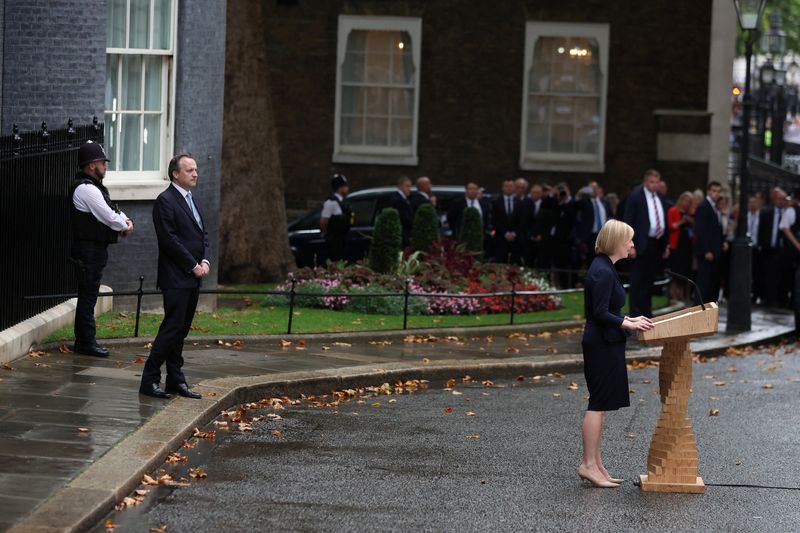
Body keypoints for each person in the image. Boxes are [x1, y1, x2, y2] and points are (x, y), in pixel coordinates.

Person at [578, 219, 653, 488]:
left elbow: (607, 309)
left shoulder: (606, 267)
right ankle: (588, 465)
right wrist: (627, 323)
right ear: (617, 242)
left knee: (601, 405)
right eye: (629, 240)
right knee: (597, 404)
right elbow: (599, 312)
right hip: (600, 343)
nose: (632, 245)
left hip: (607, 341)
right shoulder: (603, 271)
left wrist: (628, 319)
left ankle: (596, 465)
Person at [140, 153, 210, 400]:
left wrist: (205, 260)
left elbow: (203, 234)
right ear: (175, 174)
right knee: (171, 329)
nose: (195, 173)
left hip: (194, 275)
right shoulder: (165, 201)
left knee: (181, 331)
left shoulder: (194, 199)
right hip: (176, 277)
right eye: (189, 170)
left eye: (196, 169)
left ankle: (175, 380)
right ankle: (149, 380)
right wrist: (192, 265)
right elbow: (169, 240)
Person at [70, 141, 134, 357]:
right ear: (91, 166)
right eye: (101, 162)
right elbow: (107, 216)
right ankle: (86, 342)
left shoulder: (93, 188)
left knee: (89, 296)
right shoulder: (86, 189)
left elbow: (111, 208)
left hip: (94, 250)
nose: (104, 166)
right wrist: (124, 225)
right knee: (88, 297)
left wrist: (125, 220)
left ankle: (84, 341)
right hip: (88, 251)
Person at [623, 169, 669, 317]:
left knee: (649, 280)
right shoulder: (636, 197)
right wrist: (630, 244)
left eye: (657, 182)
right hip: (640, 244)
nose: (654, 185)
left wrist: (665, 244)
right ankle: (635, 314)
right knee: (637, 280)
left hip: (656, 243)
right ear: (645, 182)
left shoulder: (660, 198)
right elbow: (628, 221)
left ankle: (646, 313)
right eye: (651, 182)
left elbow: (663, 220)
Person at [693, 181, 725, 305]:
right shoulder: (703, 207)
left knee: (712, 284)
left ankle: (708, 311)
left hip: (715, 252)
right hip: (707, 253)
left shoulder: (714, 207)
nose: (716, 194)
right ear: (708, 191)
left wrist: (722, 242)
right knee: (704, 283)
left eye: (718, 191)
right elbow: (701, 231)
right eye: (714, 191)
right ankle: (699, 310)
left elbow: (716, 229)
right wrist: (707, 250)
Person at [760, 188, 789, 307]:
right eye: (781, 199)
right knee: (767, 274)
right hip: (768, 248)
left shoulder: (787, 212)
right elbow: (761, 230)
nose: (783, 202)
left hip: (782, 249)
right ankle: (767, 298)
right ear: (775, 199)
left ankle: (779, 299)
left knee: (781, 275)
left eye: (784, 199)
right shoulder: (766, 212)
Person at [667, 192, 695, 302]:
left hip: (687, 246)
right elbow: (671, 226)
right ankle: (674, 294)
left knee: (687, 271)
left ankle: (685, 296)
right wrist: (682, 221)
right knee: (677, 271)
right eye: (685, 200)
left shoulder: (691, 214)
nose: (686, 203)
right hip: (677, 246)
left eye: (689, 201)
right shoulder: (673, 211)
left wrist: (691, 221)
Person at [320, 174, 352, 263]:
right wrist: (325, 232)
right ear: (339, 188)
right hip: (334, 239)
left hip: (343, 238)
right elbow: (324, 220)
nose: (347, 188)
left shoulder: (343, 201)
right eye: (345, 186)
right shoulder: (330, 202)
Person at [492, 179, 523, 263]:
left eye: (510, 186)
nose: (508, 188)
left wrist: (514, 233)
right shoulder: (496, 202)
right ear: (502, 188)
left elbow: (522, 221)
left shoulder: (520, 202)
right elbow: (495, 220)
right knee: (500, 262)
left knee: (515, 262)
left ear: (514, 188)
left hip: (515, 239)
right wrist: (505, 233)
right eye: (506, 186)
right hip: (501, 238)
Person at [388, 176, 414, 247]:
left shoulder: (403, 198)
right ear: (400, 186)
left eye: (410, 186)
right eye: (407, 186)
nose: (409, 189)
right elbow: (404, 218)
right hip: (403, 233)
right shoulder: (398, 200)